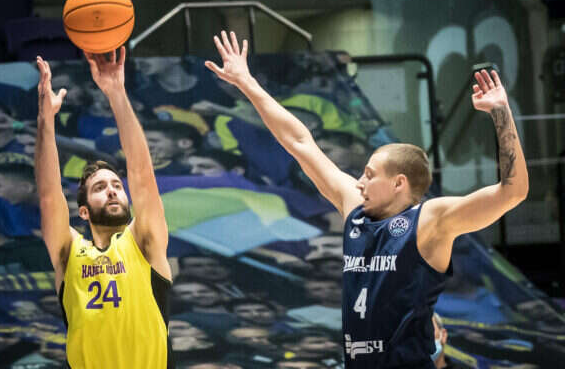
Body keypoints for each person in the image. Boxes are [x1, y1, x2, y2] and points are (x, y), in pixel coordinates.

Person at [206, 30, 528, 368]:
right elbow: (299, 141)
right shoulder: (355, 210)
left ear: (399, 183)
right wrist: (246, 83)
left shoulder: (430, 221)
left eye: (370, 175)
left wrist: (500, 112)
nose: (359, 182)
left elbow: (514, 191)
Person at [34, 48, 173, 368]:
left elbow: (142, 175)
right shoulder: (69, 251)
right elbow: (49, 196)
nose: (111, 190)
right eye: (100, 188)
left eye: (116, 186)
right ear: (83, 212)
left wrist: (116, 93)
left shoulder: (144, 242)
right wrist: (46, 121)